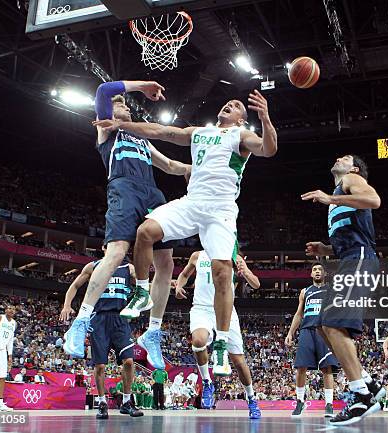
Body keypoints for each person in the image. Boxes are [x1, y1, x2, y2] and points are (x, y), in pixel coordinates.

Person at [93, 90, 277, 376]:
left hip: (221, 209)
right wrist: (121, 125)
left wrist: (265, 118)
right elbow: (160, 130)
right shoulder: (200, 132)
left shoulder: (240, 136)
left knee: (222, 271)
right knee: (145, 231)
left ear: (241, 120)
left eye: (237, 105)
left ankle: (222, 344)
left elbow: (268, 149)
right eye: (228, 101)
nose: (230, 103)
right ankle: (142, 292)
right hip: (192, 202)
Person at [64, 80, 190, 372]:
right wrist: (142, 86)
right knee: (118, 251)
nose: (121, 103)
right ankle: (81, 320)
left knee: (167, 264)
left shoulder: (143, 140)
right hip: (123, 189)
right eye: (118, 102)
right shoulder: (107, 129)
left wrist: (196, 169)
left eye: (124, 102)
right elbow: (103, 91)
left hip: (152, 192)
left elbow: (171, 165)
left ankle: (153, 332)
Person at [303, 155, 385, 425]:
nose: (338, 157)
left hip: (359, 259)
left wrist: (332, 199)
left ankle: (361, 395)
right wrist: (325, 249)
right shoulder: (341, 191)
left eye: (346, 157)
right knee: (322, 324)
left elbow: (374, 200)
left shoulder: (351, 180)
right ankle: (369, 384)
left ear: (354, 168)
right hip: (347, 260)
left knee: (332, 324)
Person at [175, 251, 262, 418]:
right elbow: (184, 274)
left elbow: (256, 284)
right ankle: (207, 382)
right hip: (201, 308)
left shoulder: (233, 256)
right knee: (198, 341)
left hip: (226, 310)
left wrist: (245, 271)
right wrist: (179, 285)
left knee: (238, 361)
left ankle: (251, 398)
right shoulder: (197, 256)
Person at [60, 254, 142, 418]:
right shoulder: (93, 266)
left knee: (129, 361)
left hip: (120, 318)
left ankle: (126, 402)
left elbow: (144, 284)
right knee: (100, 366)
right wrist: (66, 305)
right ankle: (102, 403)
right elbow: (75, 285)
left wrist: (167, 283)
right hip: (98, 319)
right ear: (105, 248)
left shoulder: (128, 268)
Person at [285, 263, 338, 418]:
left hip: (325, 331)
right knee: (301, 367)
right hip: (307, 330)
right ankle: (300, 402)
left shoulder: (331, 289)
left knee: (327, 368)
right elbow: (298, 314)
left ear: (324, 273)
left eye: (320, 269)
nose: (317, 271)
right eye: (314, 269)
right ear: (311, 274)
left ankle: (329, 404)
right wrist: (290, 333)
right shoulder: (305, 292)